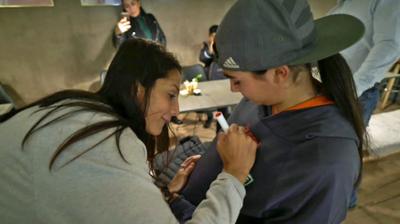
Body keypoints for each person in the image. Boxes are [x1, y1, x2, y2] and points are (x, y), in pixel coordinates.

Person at [0, 39, 258, 223]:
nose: (176, 111)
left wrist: (162, 194)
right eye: (170, 95)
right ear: (138, 90)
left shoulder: (75, 108)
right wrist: (233, 175)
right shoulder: (105, 142)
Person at [178, 0, 368, 223]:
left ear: (280, 73)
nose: (233, 89)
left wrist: (178, 203)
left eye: (236, 80)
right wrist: (213, 162)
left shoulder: (328, 161)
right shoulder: (263, 98)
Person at [329, 0, 400, 209]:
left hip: (353, 92)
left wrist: (352, 88)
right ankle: (333, 200)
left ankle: (343, 201)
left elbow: (389, 46)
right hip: (333, 88)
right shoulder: (342, 5)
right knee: (332, 149)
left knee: (345, 150)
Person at [199, 25, 229, 128]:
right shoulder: (206, 47)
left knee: (223, 107)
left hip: (222, 82)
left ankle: (221, 126)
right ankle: (209, 117)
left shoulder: (225, 47)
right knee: (208, 103)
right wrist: (210, 49)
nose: (214, 38)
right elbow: (203, 58)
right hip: (209, 80)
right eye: (212, 36)